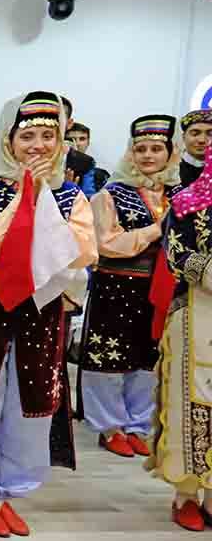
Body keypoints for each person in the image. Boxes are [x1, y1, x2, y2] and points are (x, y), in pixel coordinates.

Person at [0, 92, 96, 540]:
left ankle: (8, 489)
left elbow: (83, 251)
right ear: (9, 141)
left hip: (40, 308)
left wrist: (44, 198)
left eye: (48, 136)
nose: (38, 146)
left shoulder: (72, 197)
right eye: (27, 136)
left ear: (61, 140)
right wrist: (24, 197)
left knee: (30, 399)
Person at [80, 115, 179, 458]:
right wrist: (155, 231)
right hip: (116, 286)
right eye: (141, 149)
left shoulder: (180, 195)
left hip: (161, 288)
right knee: (108, 358)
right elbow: (106, 243)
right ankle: (109, 426)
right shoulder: (110, 194)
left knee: (147, 357)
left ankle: (139, 424)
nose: (148, 156)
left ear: (170, 153)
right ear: (130, 153)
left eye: (156, 149)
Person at [149, 138, 212, 530]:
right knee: (189, 402)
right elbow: (176, 254)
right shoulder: (188, 202)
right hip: (194, 312)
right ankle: (186, 494)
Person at [180, 109, 212, 187]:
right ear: (183, 137)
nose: (202, 140)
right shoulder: (169, 171)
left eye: (210, 134)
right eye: (195, 134)